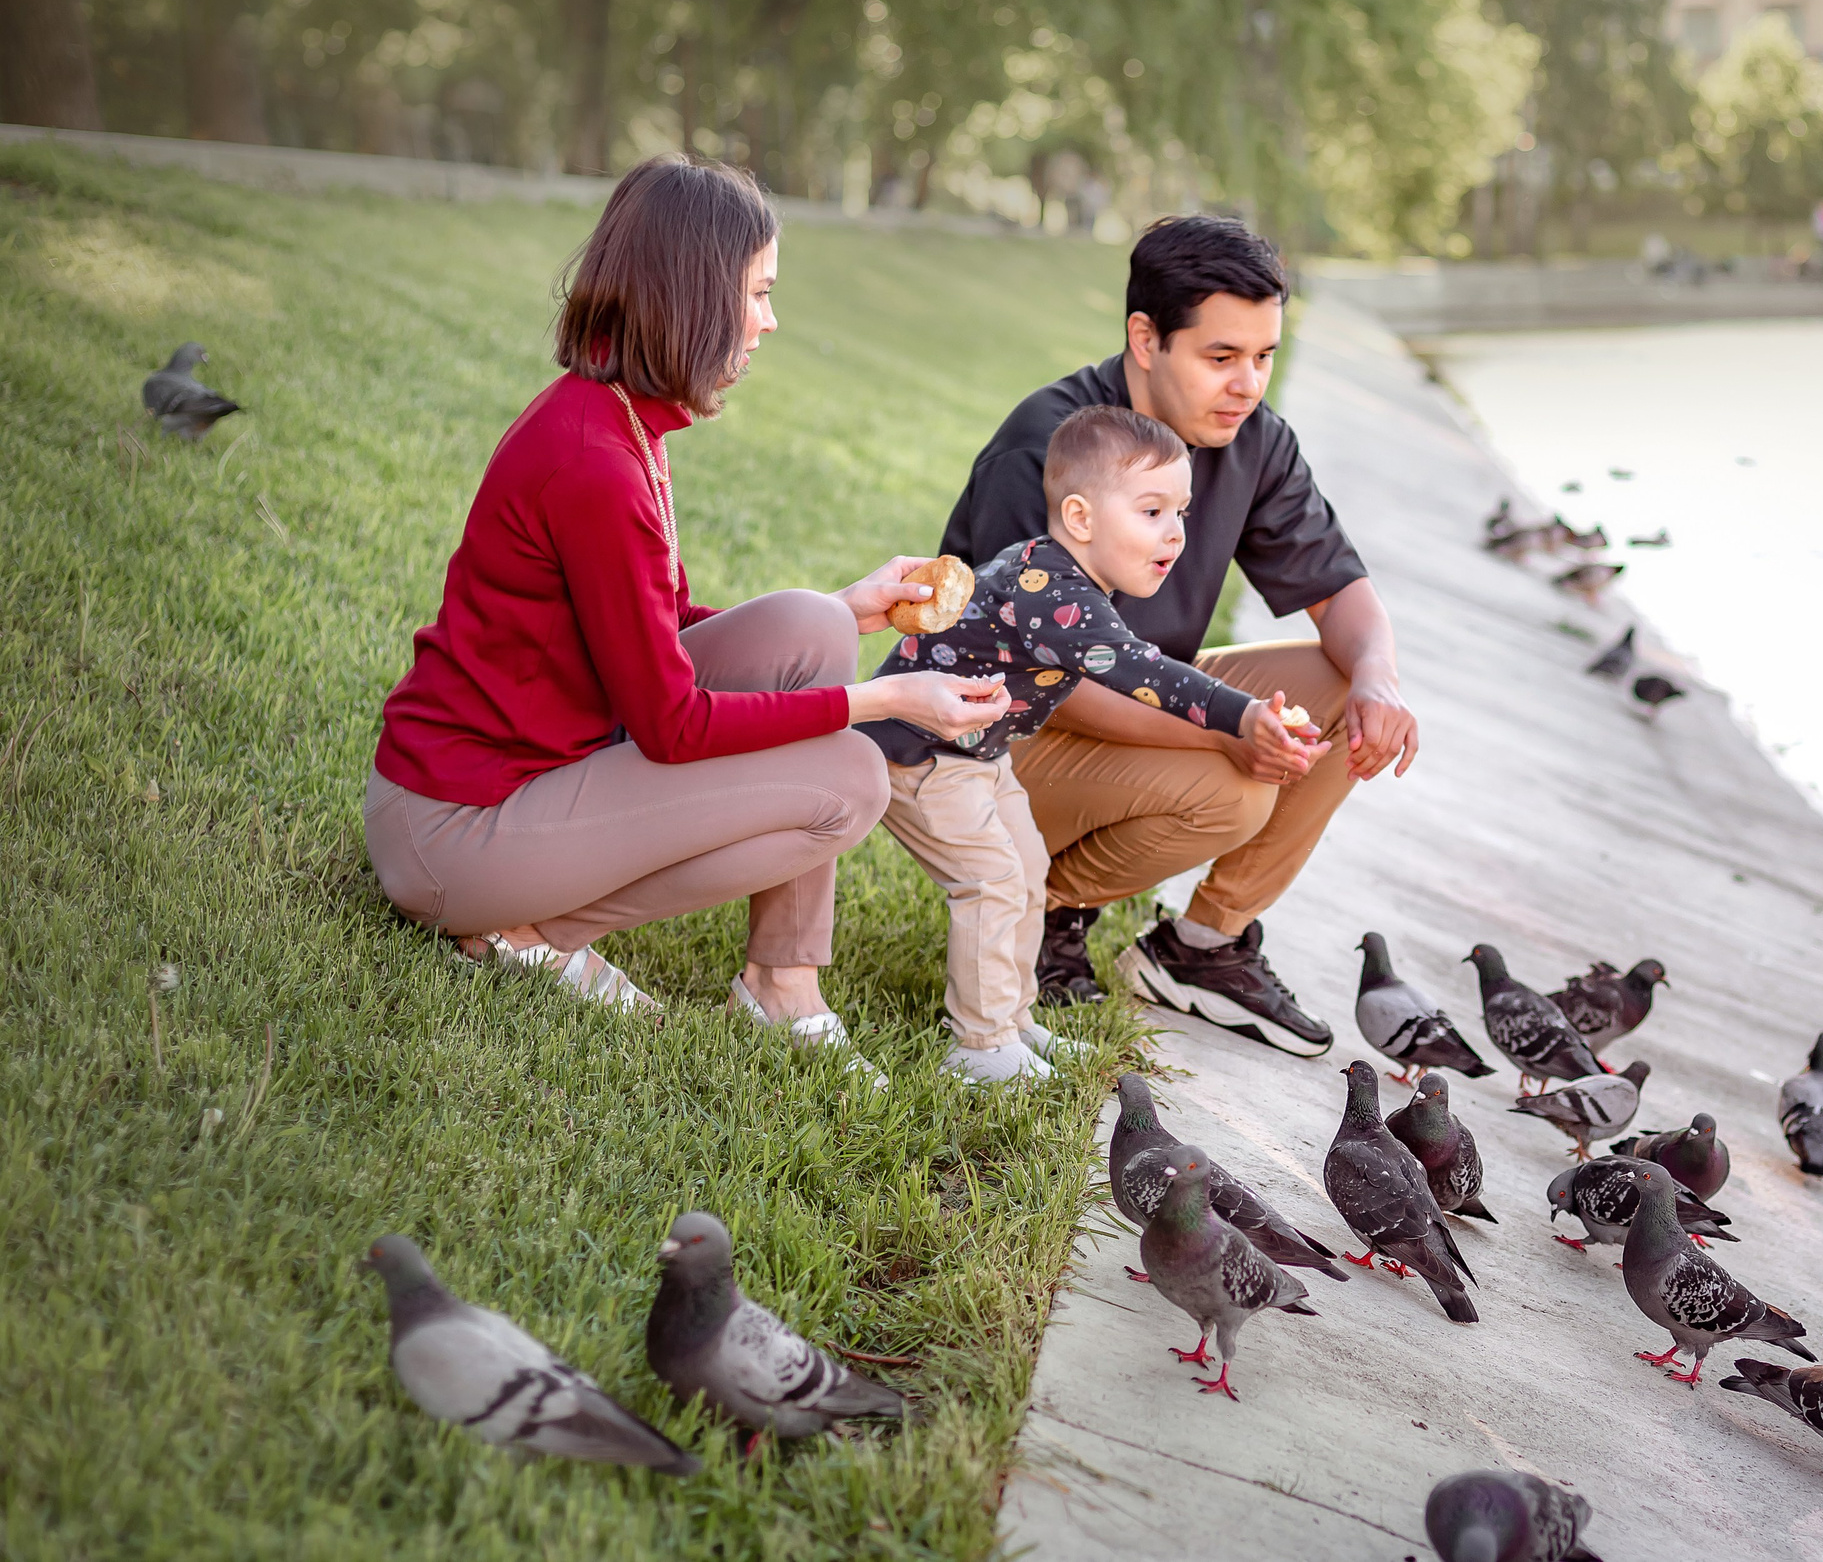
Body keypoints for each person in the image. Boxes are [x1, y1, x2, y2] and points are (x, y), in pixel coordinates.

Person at [365, 155, 1006, 1057]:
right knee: (850, 780)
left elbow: (647, 626)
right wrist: (888, 701)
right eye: (758, 292)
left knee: (811, 624)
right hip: (455, 829)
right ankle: (532, 930)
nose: (770, 320)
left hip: (529, 772)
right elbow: (670, 724)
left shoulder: (619, 418)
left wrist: (851, 609)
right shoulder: (593, 459)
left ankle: (783, 980)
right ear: (695, 295)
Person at [938, 215, 1419, 1055]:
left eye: (1265, 357)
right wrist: (1230, 728)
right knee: (1235, 787)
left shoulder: (1252, 439)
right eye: (1222, 357)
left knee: (1343, 686)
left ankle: (1202, 945)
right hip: (992, 743)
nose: (1248, 384)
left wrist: (1379, 678)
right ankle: (1050, 905)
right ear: (1146, 338)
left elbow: (1342, 591)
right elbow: (1068, 685)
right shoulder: (1047, 446)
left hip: (1141, 694)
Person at [866, 405, 1320, 1081]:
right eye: (1151, 511)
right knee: (992, 880)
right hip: (921, 750)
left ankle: (1012, 1018)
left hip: (977, 753)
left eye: (1182, 513)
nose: (1175, 533)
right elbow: (1141, 670)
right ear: (1080, 518)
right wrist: (1242, 712)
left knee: (1025, 870)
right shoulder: (1053, 591)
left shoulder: (1064, 577)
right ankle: (981, 1045)